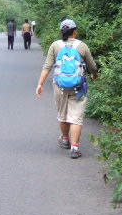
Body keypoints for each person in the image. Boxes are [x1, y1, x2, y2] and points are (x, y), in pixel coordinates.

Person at [35, 19, 98, 159]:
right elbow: (92, 66)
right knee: (76, 118)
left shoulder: (55, 45)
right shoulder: (82, 46)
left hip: (60, 85)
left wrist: (40, 84)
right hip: (78, 86)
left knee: (62, 114)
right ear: (75, 31)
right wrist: (94, 74)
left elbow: (47, 67)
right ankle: (75, 148)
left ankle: (65, 139)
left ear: (61, 32)